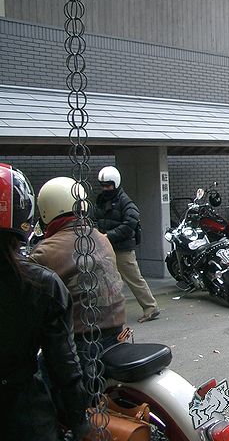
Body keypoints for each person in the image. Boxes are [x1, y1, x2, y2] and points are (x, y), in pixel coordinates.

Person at [0, 164, 89, 441]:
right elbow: (64, 365)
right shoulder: (41, 282)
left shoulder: (46, 255)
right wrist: (80, 421)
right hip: (23, 413)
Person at [29, 177, 127, 374]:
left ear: (46, 208)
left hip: (79, 343)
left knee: (35, 379)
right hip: (117, 333)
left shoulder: (44, 252)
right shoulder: (101, 238)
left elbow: (30, 303)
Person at [94, 166, 159, 323]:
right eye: (103, 185)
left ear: (115, 184)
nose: (105, 189)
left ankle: (151, 307)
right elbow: (96, 218)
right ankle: (108, 312)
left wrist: (108, 235)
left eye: (108, 185)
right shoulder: (101, 200)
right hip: (106, 246)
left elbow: (130, 222)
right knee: (105, 280)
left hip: (122, 248)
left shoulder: (124, 201)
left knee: (133, 278)